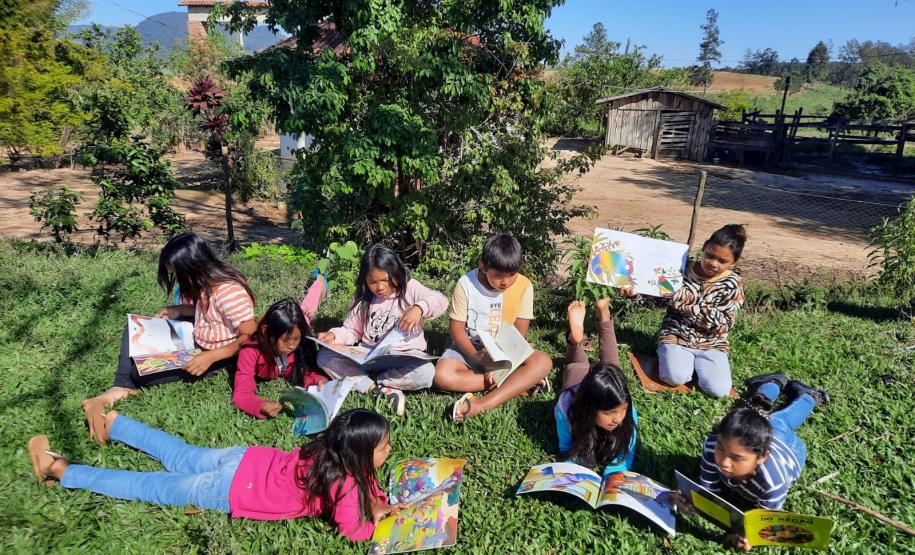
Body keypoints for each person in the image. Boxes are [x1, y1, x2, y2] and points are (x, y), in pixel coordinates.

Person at [28, 408, 402, 541]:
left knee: (180, 452)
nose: (389, 450)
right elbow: (353, 530)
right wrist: (374, 520)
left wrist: (376, 501)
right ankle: (60, 470)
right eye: (384, 447)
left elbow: (364, 486)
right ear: (360, 455)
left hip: (245, 459)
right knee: (148, 486)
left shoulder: (330, 451)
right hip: (230, 488)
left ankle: (116, 424)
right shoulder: (345, 481)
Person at [82, 233, 256, 438]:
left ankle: (124, 386)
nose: (178, 281)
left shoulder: (229, 292)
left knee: (140, 372)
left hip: (217, 355)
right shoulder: (207, 283)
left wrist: (211, 357)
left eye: (178, 274)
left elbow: (249, 335)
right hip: (197, 337)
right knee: (136, 327)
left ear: (192, 267)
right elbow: (210, 312)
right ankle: (121, 386)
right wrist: (180, 310)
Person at [692, 372, 829, 551]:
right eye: (721, 449)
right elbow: (709, 491)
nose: (724, 462)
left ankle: (809, 396)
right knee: (754, 413)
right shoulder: (712, 446)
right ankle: (773, 382)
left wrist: (750, 537)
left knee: (781, 420)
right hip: (753, 440)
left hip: (789, 449)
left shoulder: (773, 482)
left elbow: (767, 521)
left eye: (737, 458)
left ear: (762, 457)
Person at [315, 244, 447, 416]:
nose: (380, 287)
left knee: (426, 373)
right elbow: (351, 330)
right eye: (373, 282)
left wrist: (419, 308)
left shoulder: (410, 288)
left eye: (385, 279)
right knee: (324, 356)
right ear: (365, 280)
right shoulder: (364, 297)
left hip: (403, 356)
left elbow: (441, 300)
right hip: (368, 354)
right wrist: (334, 335)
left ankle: (375, 382)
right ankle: (372, 388)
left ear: (396, 272)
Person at [434, 234, 553, 422]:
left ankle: (482, 403)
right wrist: (479, 358)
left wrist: (499, 363)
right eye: (498, 276)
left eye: (511, 275)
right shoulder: (466, 284)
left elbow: (518, 333)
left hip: (505, 351)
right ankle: (519, 384)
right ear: (483, 266)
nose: (505, 282)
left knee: (543, 362)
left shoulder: (523, 286)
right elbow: (456, 329)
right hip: (469, 348)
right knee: (442, 376)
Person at [628, 224, 747, 397]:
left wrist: (683, 299)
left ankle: (697, 365)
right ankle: (679, 361)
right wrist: (635, 295)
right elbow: (657, 302)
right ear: (705, 246)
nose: (713, 263)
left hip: (712, 344)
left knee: (718, 390)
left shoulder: (733, 285)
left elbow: (724, 324)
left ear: (734, 262)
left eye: (722, 261)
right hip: (675, 335)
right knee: (675, 377)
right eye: (710, 255)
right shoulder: (679, 270)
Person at [555, 298, 638, 476]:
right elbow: (567, 447)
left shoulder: (627, 410)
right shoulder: (566, 407)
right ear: (589, 409)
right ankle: (575, 340)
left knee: (612, 367)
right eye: (609, 413)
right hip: (577, 383)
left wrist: (616, 471)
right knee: (576, 365)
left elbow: (625, 454)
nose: (618, 419)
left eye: (621, 410)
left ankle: (603, 312)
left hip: (606, 387)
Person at [233, 299, 330, 419]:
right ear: (265, 331)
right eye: (286, 340)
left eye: (296, 339)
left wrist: (318, 380)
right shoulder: (250, 351)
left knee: (310, 305)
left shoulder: (300, 344)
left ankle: (320, 285)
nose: (292, 345)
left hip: (301, 321)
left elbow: (306, 370)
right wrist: (260, 406)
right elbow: (241, 394)